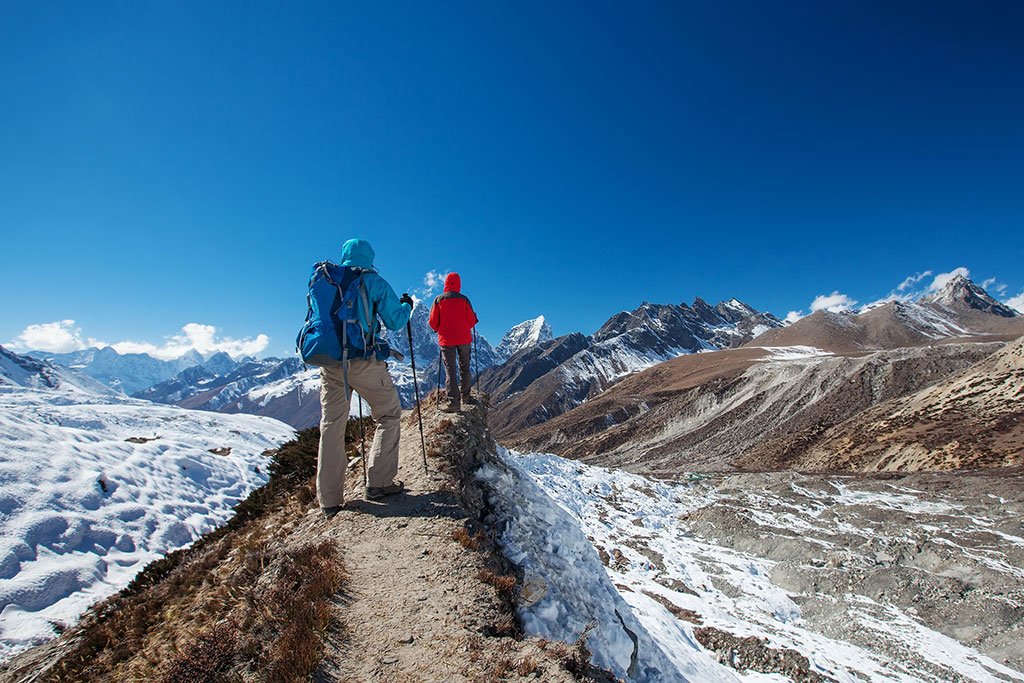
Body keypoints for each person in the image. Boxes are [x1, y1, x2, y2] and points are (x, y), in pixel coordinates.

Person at [318, 238, 413, 517]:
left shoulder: (326, 280)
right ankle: (380, 483)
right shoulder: (373, 281)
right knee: (389, 414)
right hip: (363, 361)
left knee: (331, 426)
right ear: (369, 257)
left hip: (331, 363)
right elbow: (396, 320)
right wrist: (407, 305)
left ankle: (330, 500)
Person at [428, 272, 479, 412]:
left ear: (446, 283)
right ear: (459, 284)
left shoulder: (438, 300)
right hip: (464, 339)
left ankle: (454, 403)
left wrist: (440, 328)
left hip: (446, 340)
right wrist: (473, 319)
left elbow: (433, 322)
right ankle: (467, 397)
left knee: (450, 370)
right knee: (465, 367)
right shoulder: (465, 300)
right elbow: (471, 322)